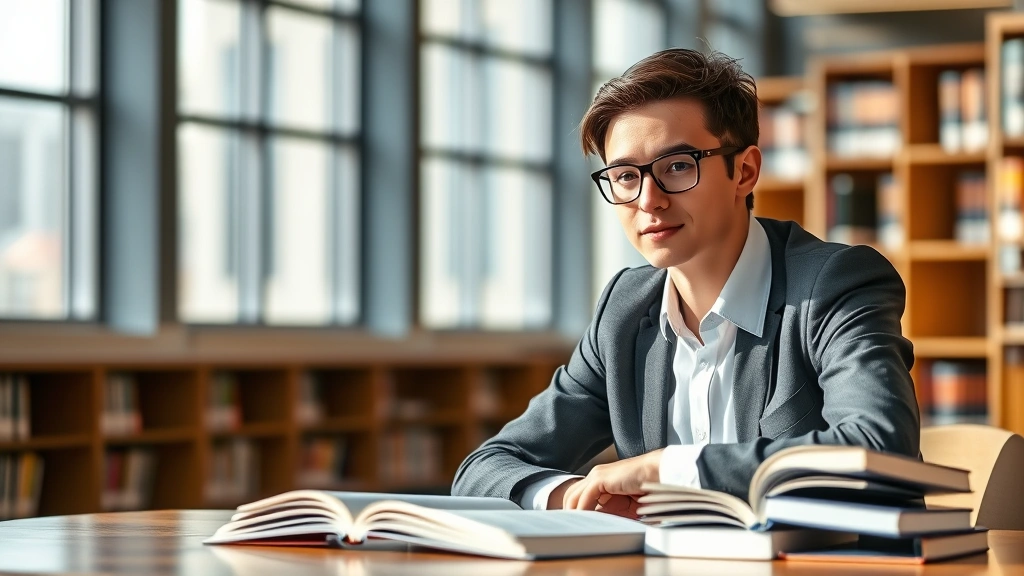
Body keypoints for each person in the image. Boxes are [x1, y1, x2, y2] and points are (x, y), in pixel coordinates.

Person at [451, 48, 919, 518]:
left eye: (677, 166)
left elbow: (879, 449)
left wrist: (670, 470)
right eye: (625, 176)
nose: (648, 200)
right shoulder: (625, 311)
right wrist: (572, 496)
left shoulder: (834, 284)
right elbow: (483, 469)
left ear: (745, 171)